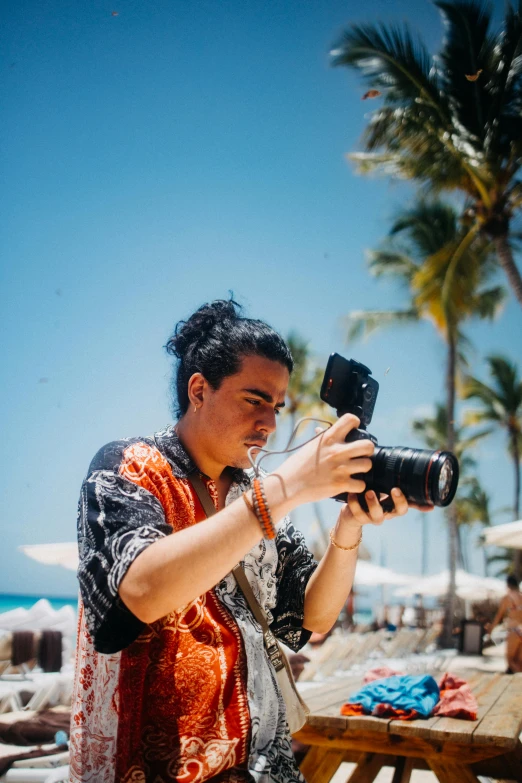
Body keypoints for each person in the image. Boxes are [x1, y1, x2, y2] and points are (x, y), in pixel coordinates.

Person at [70, 298, 429, 783]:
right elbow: (140, 590)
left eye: (277, 406)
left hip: (266, 765)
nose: (270, 423)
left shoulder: (252, 493)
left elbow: (311, 618)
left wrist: (349, 528)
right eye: (254, 399)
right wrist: (285, 489)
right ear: (199, 389)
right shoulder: (129, 467)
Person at [486, 575, 522, 673]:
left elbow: (499, 616)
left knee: (511, 661)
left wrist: (491, 630)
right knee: (519, 663)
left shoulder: (507, 598)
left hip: (514, 631)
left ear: (508, 585)